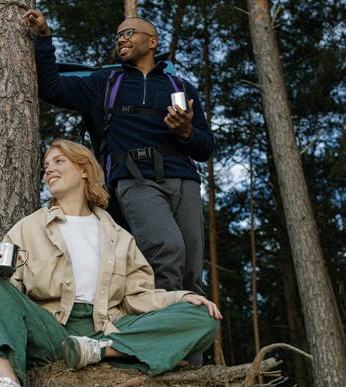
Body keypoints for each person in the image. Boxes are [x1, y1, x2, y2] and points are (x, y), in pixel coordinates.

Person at [0, 139, 221, 387]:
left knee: (204, 317)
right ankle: (6, 380)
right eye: (46, 166)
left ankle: (99, 351)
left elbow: (138, 297)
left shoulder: (119, 237)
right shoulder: (28, 228)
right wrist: (0, 273)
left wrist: (179, 299)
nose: (48, 170)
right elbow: (8, 300)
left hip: (109, 328)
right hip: (51, 330)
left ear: (84, 170)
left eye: (58, 161)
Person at [21, 10, 215, 297]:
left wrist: (186, 132)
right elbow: (51, 88)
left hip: (184, 180)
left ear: (152, 42)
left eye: (129, 33)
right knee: (166, 249)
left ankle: (194, 336)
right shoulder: (104, 82)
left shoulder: (182, 88)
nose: (120, 39)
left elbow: (205, 147)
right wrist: (44, 38)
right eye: (118, 36)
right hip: (134, 179)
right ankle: (161, 328)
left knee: (190, 269)